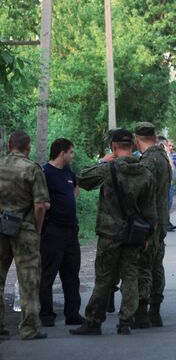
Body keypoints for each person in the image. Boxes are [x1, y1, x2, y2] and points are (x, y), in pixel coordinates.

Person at [70, 129, 156, 336]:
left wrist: (102, 161)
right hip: (134, 235)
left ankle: (93, 322)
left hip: (110, 234)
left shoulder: (108, 169)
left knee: (104, 278)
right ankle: (126, 321)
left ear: (113, 146)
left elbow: (81, 178)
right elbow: (150, 211)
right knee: (130, 276)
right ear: (133, 146)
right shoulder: (145, 173)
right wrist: (147, 237)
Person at [0, 130, 49, 340]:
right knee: (28, 280)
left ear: (9, 145)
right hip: (25, 230)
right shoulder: (32, 169)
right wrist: (37, 229)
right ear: (27, 146)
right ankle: (29, 329)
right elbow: (40, 204)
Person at [39, 138, 84, 327]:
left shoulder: (67, 172)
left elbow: (74, 190)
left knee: (72, 275)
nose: (72, 155)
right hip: (52, 232)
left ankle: (72, 314)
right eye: (71, 152)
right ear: (62, 153)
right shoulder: (45, 173)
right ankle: (47, 315)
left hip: (70, 231)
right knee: (48, 275)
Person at [133, 123, 171, 328]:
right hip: (162, 219)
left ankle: (142, 312)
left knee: (144, 266)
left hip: (150, 221)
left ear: (137, 138)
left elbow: (143, 194)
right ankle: (155, 311)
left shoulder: (148, 160)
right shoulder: (163, 157)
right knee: (157, 265)